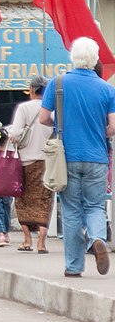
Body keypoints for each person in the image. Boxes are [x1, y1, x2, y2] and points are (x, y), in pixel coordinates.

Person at [37, 37, 115, 278]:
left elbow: (42, 118)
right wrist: (99, 131)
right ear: (95, 60)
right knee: (94, 206)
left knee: (71, 210)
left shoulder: (58, 83)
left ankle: (73, 266)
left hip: (66, 156)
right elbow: (113, 126)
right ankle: (97, 238)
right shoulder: (106, 88)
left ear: (73, 57)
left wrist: (60, 125)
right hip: (97, 157)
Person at [6, 75, 53, 254]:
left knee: (22, 199)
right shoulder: (52, 109)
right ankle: (41, 243)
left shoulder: (24, 108)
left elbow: (16, 134)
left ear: (32, 90)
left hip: (25, 161)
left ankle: (27, 241)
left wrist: (12, 137)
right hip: (48, 161)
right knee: (44, 199)